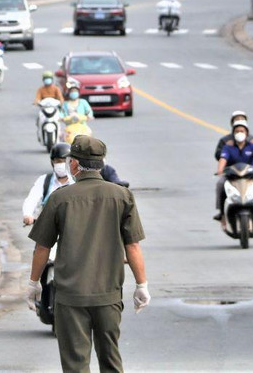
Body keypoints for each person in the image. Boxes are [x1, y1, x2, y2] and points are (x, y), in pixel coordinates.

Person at [26, 135, 150, 372]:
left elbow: (42, 247)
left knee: (75, 364)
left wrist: (33, 283)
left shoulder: (59, 198)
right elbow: (132, 246)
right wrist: (141, 284)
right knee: (111, 361)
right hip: (108, 295)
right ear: (101, 163)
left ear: (74, 164)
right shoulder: (122, 196)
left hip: (71, 297)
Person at [214, 120, 253, 225]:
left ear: (246, 133)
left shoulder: (252, 145)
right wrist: (220, 170)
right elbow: (223, 158)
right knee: (220, 184)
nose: (240, 133)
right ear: (233, 133)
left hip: (250, 174)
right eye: (237, 131)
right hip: (232, 175)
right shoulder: (228, 146)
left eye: (242, 131)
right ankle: (221, 214)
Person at [23, 143, 75, 226]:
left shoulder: (77, 182)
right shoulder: (44, 180)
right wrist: (28, 215)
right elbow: (32, 198)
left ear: (71, 162)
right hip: (49, 228)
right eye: (58, 161)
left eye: (65, 161)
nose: (62, 164)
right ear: (52, 162)